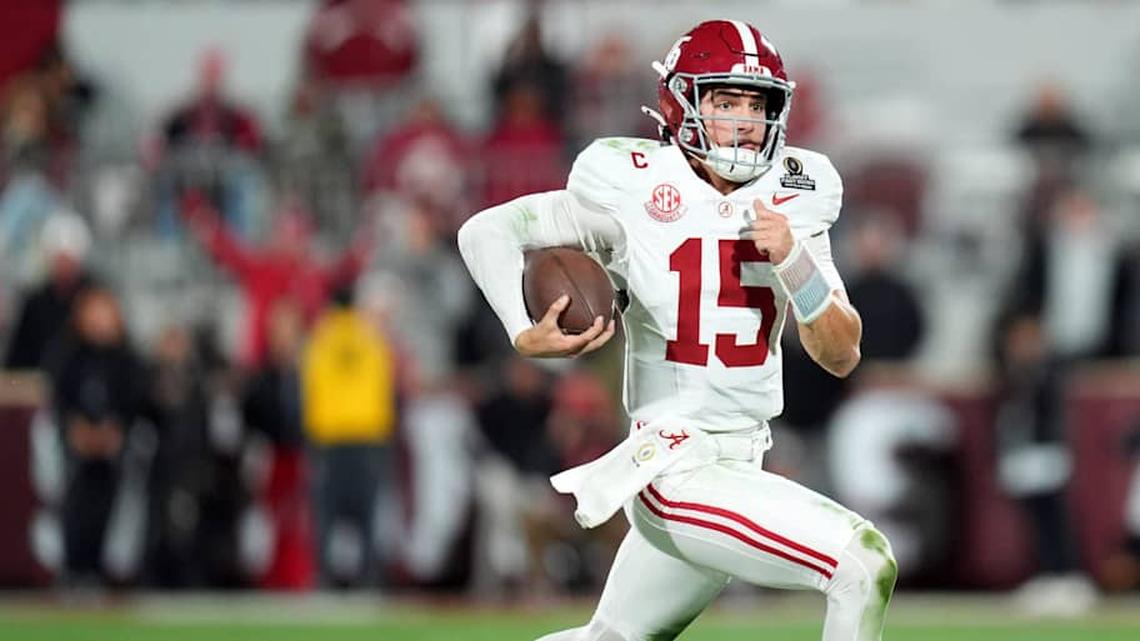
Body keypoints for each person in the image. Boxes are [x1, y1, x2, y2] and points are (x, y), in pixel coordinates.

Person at [457, 20, 896, 641]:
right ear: (680, 103)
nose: (745, 121)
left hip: (741, 462)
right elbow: (487, 231)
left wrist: (794, 260)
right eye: (726, 102)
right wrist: (520, 327)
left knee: (610, 639)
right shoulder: (635, 185)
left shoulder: (795, 195)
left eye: (757, 105)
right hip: (675, 466)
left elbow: (842, 353)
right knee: (863, 562)